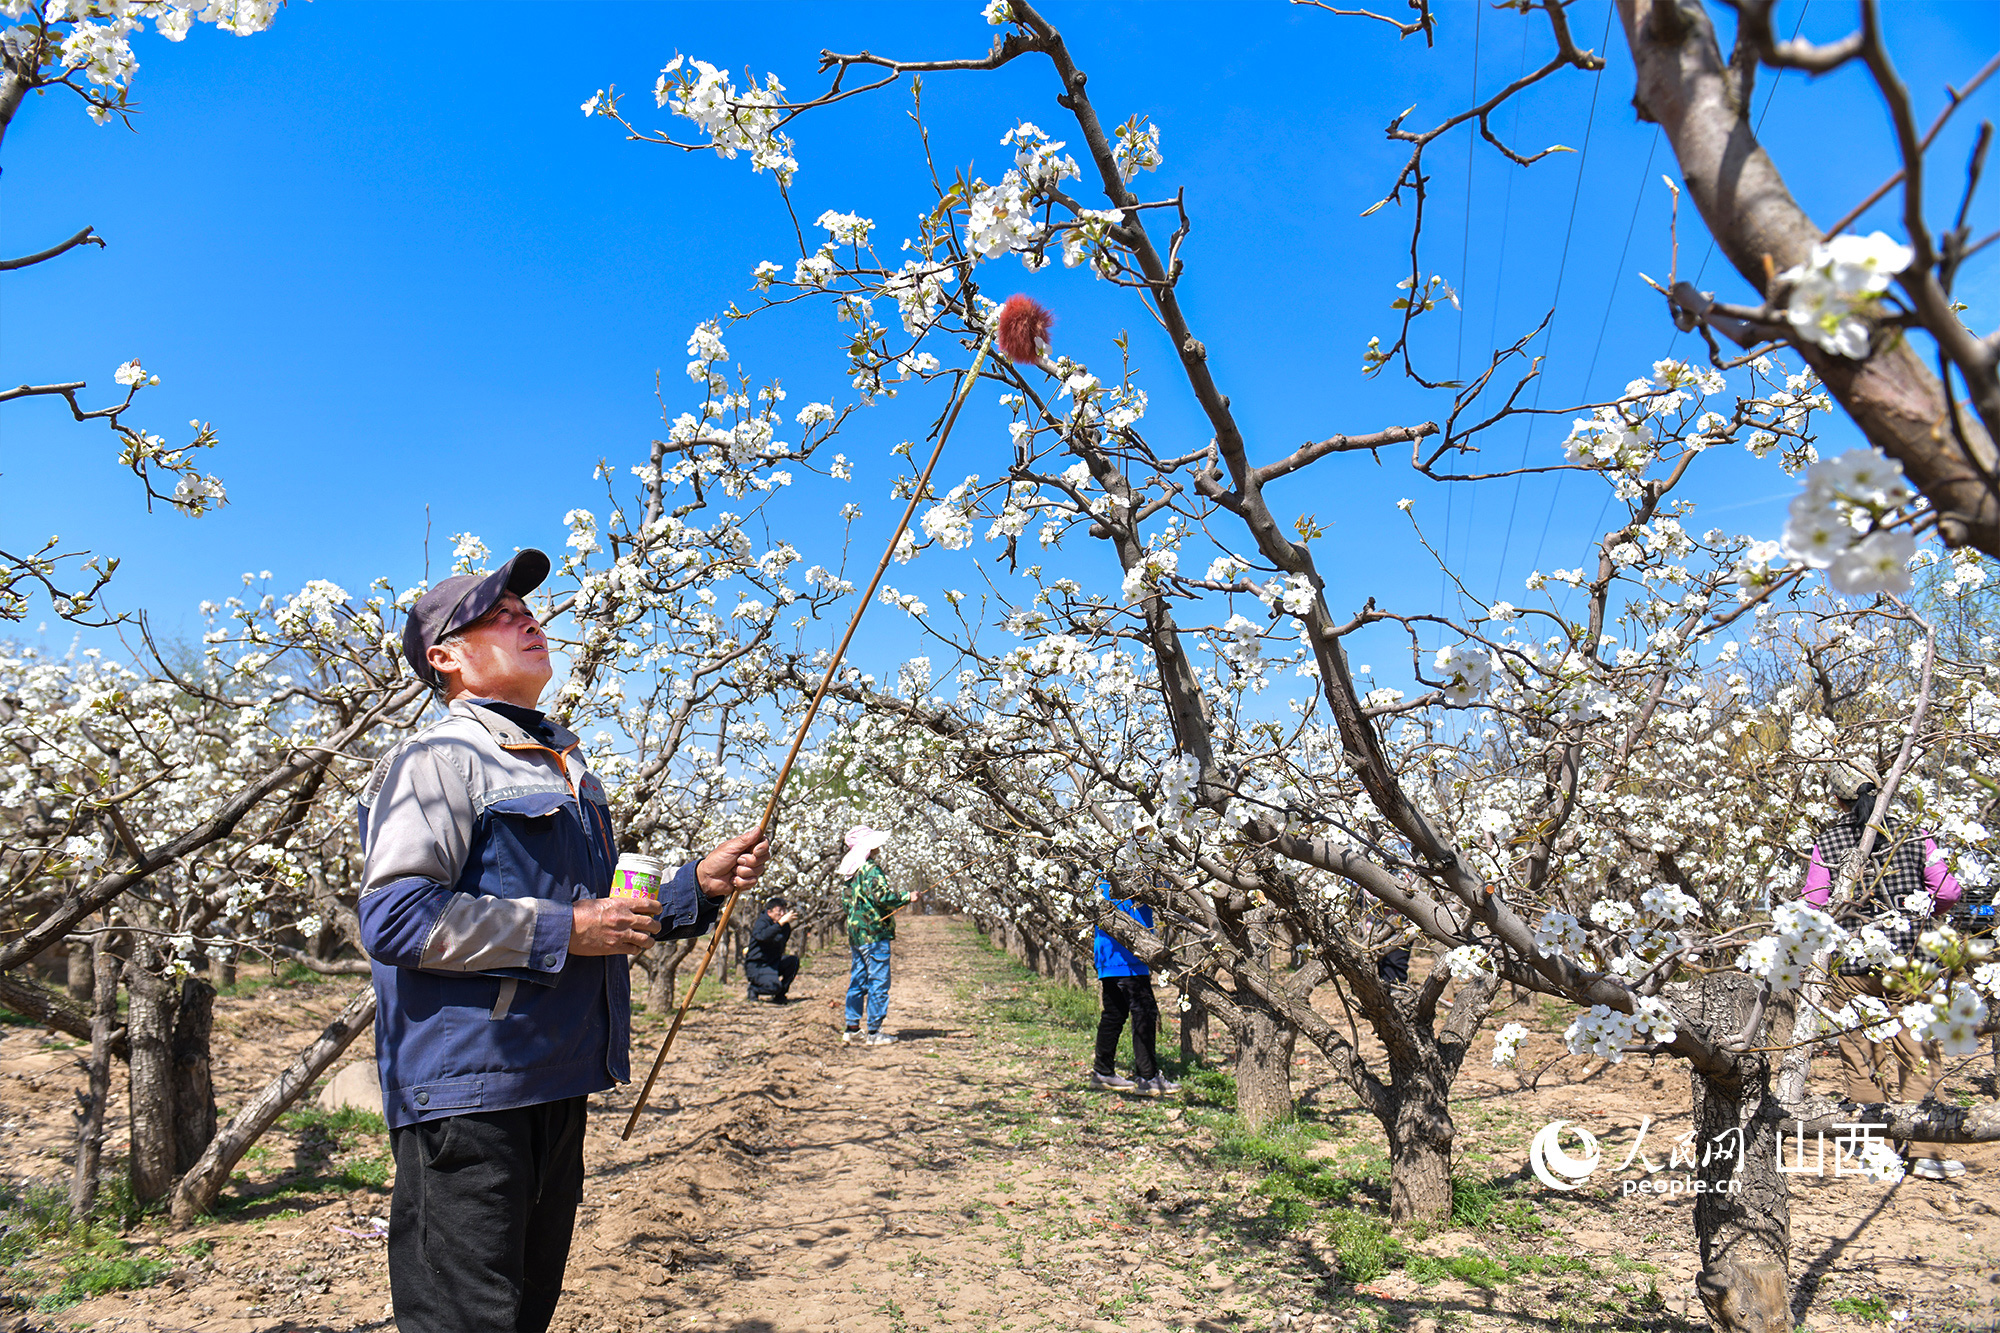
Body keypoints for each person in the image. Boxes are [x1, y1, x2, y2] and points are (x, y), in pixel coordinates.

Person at [356, 549, 770, 1333]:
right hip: (470, 1090)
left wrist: (699, 885)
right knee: (466, 1319)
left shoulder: (564, 766)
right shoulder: (439, 759)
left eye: (529, 609)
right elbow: (396, 917)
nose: (528, 619)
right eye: (499, 614)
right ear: (444, 657)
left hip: (555, 1076)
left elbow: (600, 910)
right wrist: (566, 929)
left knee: (525, 1309)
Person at [1803, 760, 1962, 1179]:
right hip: (1912, 962)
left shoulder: (1829, 840)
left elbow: (1815, 903)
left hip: (1853, 966)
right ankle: (1927, 1150)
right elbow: (1947, 890)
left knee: (1860, 1056)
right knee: (1921, 1052)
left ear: (1837, 800)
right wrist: (1927, 914)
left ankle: (1874, 1147)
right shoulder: (1916, 835)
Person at [1090, 877, 1179, 1095]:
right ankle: (1147, 1077)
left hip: (1107, 952)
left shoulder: (1100, 872)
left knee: (1114, 1013)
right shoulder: (1133, 866)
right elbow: (1163, 888)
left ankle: (1103, 1072)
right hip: (1128, 954)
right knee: (1144, 1012)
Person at [839, 825, 912, 1045]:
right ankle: (874, 1032)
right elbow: (883, 897)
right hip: (875, 934)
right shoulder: (871, 869)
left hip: (856, 934)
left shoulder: (850, 871)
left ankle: (852, 1029)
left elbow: (845, 904)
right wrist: (908, 897)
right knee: (878, 981)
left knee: (858, 979)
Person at [745, 896, 800, 1002]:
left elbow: (781, 940)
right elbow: (763, 936)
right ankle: (754, 989)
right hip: (757, 965)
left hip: (773, 963)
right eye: (779, 911)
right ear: (769, 912)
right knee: (773, 987)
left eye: (784, 910)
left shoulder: (784, 926)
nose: (782, 914)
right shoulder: (762, 922)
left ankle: (780, 994)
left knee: (793, 961)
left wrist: (781, 925)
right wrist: (779, 924)